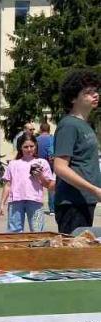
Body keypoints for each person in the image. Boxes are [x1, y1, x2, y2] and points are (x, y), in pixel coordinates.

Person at [53, 68, 101, 234]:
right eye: (88, 92)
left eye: (95, 91)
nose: (95, 95)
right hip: (71, 203)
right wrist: (93, 189)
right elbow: (60, 167)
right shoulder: (69, 125)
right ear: (73, 98)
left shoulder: (86, 126)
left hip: (85, 201)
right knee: (73, 257)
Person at [0, 134, 55, 232]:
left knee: (37, 231)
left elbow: (49, 185)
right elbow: (8, 185)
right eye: (25, 147)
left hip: (35, 201)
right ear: (20, 148)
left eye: (31, 146)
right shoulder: (13, 164)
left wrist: (40, 175)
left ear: (36, 146)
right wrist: (2, 203)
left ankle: (36, 247)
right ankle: (16, 247)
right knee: (14, 231)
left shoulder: (41, 162)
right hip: (16, 201)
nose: (29, 149)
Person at [35, 120, 55, 214]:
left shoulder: (36, 139)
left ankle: (35, 206)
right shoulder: (51, 138)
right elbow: (51, 152)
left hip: (37, 163)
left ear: (40, 129)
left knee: (35, 184)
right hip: (49, 164)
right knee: (50, 185)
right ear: (49, 130)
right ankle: (52, 208)